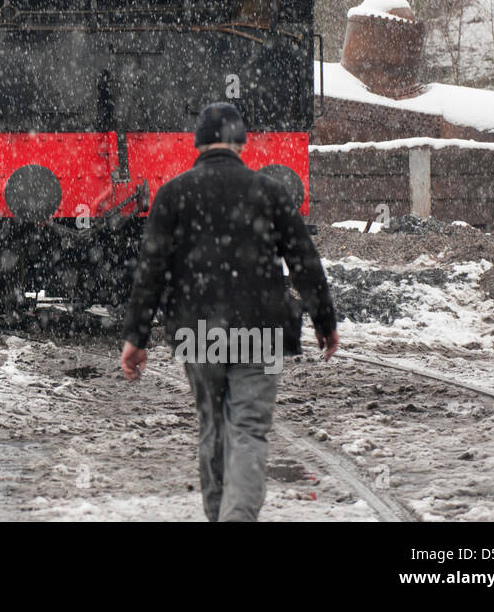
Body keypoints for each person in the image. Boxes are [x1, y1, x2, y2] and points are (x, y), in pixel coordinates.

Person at [120, 102, 339, 522]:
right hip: (263, 331)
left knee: (213, 428)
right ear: (241, 142)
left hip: (199, 331)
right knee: (249, 431)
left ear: (198, 144)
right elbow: (305, 263)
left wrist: (136, 336)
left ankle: (218, 512)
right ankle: (237, 517)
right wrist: (324, 322)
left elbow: (151, 271)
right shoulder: (270, 191)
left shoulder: (173, 194)